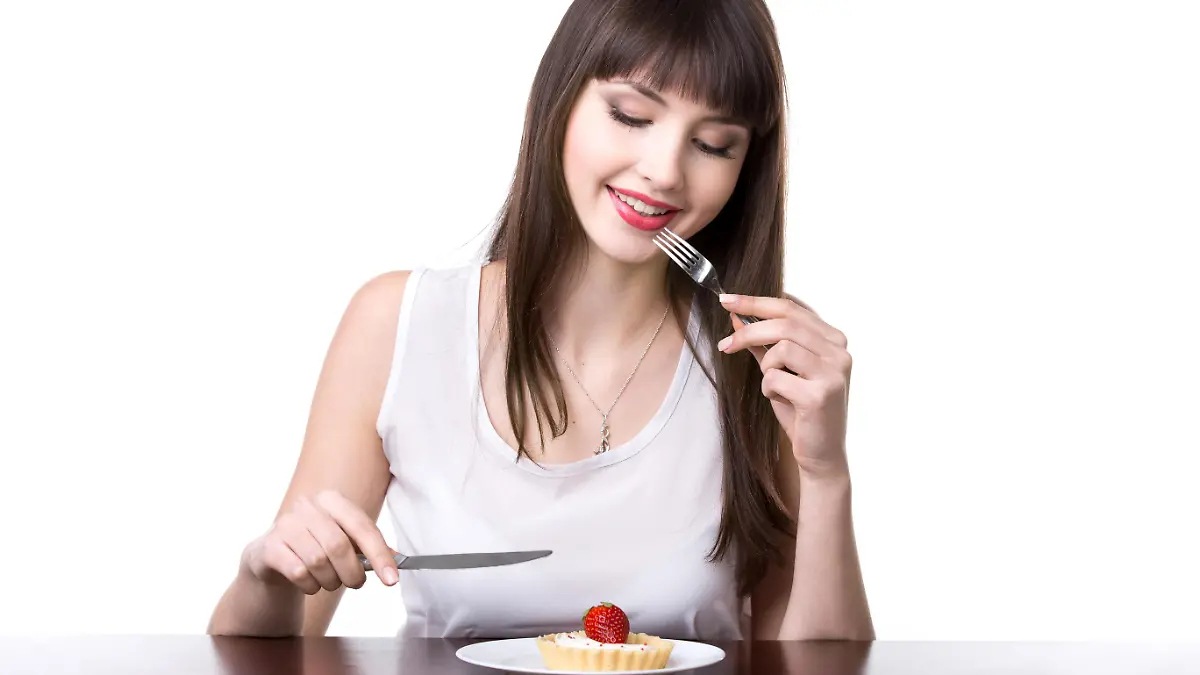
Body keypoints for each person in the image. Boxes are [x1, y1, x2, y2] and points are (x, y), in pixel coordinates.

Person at [208, 0, 874, 642]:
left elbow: (816, 665)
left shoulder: (763, 356)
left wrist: (825, 474)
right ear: (560, 100)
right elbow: (275, 643)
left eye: (712, 144)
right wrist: (265, 574)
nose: (664, 171)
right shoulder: (399, 326)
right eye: (630, 115)